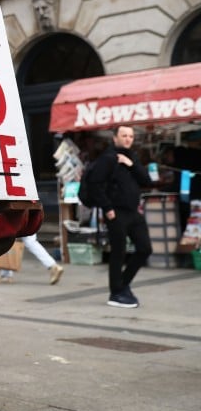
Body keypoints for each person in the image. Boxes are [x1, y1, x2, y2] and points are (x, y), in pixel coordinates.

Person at [84, 125, 152, 308]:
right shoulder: (107, 158)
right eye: (124, 135)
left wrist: (131, 164)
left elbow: (146, 181)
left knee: (145, 248)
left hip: (133, 212)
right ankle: (116, 293)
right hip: (116, 212)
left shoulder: (132, 157)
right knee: (118, 252)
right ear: (115, 138)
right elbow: (95, 184)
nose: (128, 139)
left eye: (131, 136)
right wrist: (107, 208)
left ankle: (123, 284)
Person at [0, 234, 65, 284]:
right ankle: (53, 266)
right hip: (31, 215)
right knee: (30, 242)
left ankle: (6, 275)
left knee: (7, 238)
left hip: (18, 214)